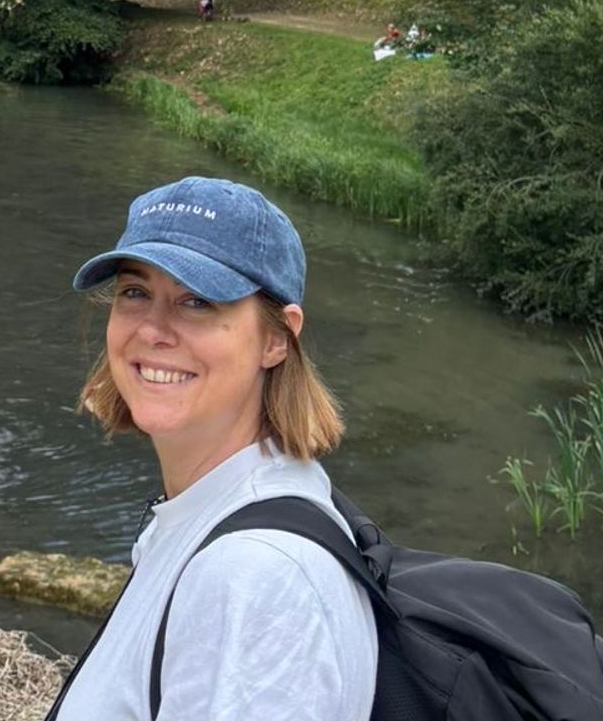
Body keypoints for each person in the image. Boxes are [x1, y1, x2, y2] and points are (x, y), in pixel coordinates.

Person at [47, 176, 372, 719]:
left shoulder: (257, 579)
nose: (153, 329)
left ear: (277, 338)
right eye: (135, 292)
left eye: (197, 301)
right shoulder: (215, 511)